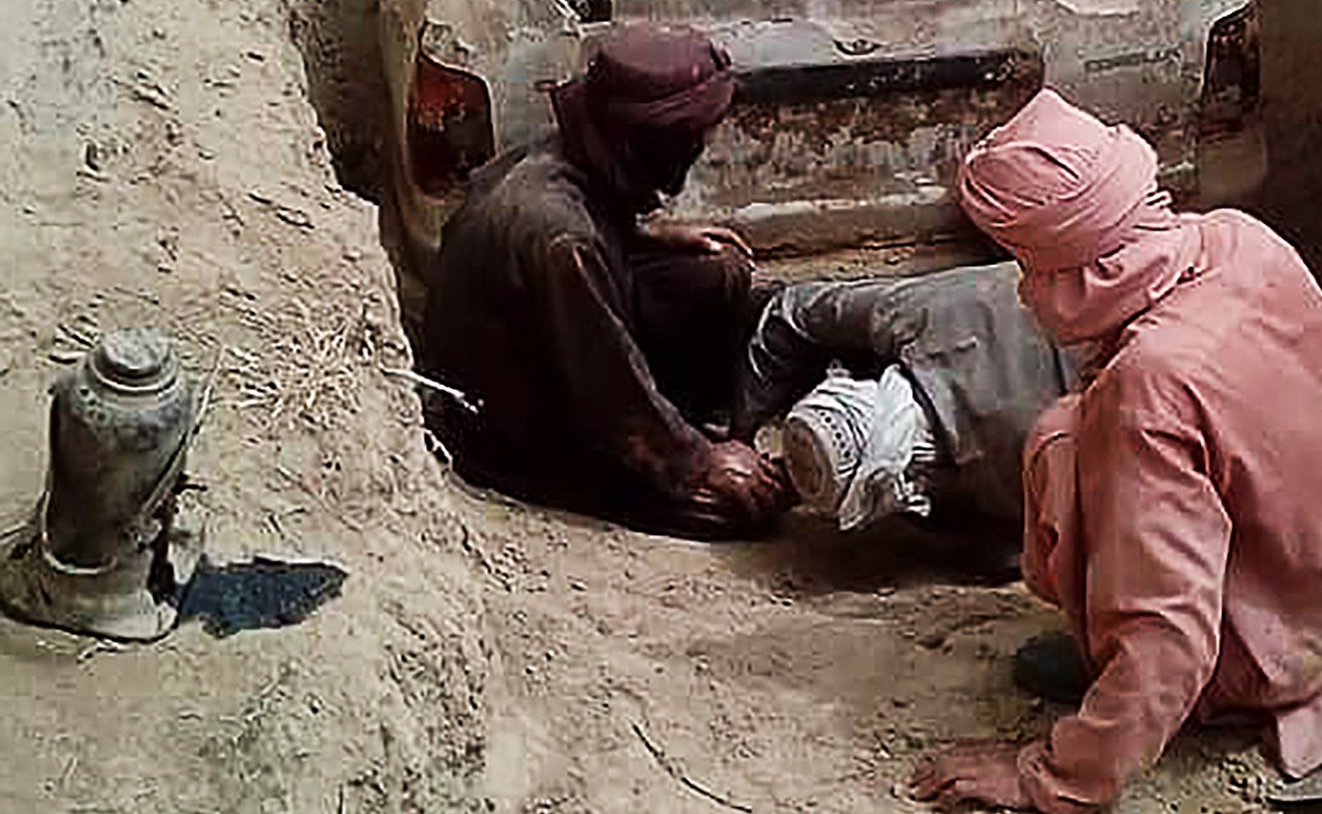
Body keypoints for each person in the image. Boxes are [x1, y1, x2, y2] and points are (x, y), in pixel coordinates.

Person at [911, 91, 1322, 814]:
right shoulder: (1238, 240)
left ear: (1072, 259)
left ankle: (1203, 695)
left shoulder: (1151, 387)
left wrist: (1056, 774)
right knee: (1098, 425)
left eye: (1027, 265)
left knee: (1064, 442)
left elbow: (1168, 631)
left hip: (1285, 646)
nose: (1021, 291)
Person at [421, 26, 785, 538]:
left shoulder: (566, 159)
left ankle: (683, 416)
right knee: (740, 506)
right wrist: (699, 459)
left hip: (552, 349)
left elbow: (595, 231)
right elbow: (607, 388)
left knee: (717, 267)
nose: (702, 147)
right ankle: (679, 437)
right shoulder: (562, 240)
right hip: (510, 429)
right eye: (694, 136)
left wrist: (651, 237)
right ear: (652, 141)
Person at [732, 264, 1080, 540]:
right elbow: (793, 313)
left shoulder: (1018, 475)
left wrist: (741, 436)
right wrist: (740, 439)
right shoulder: (921, 315)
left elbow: (1014, 555)